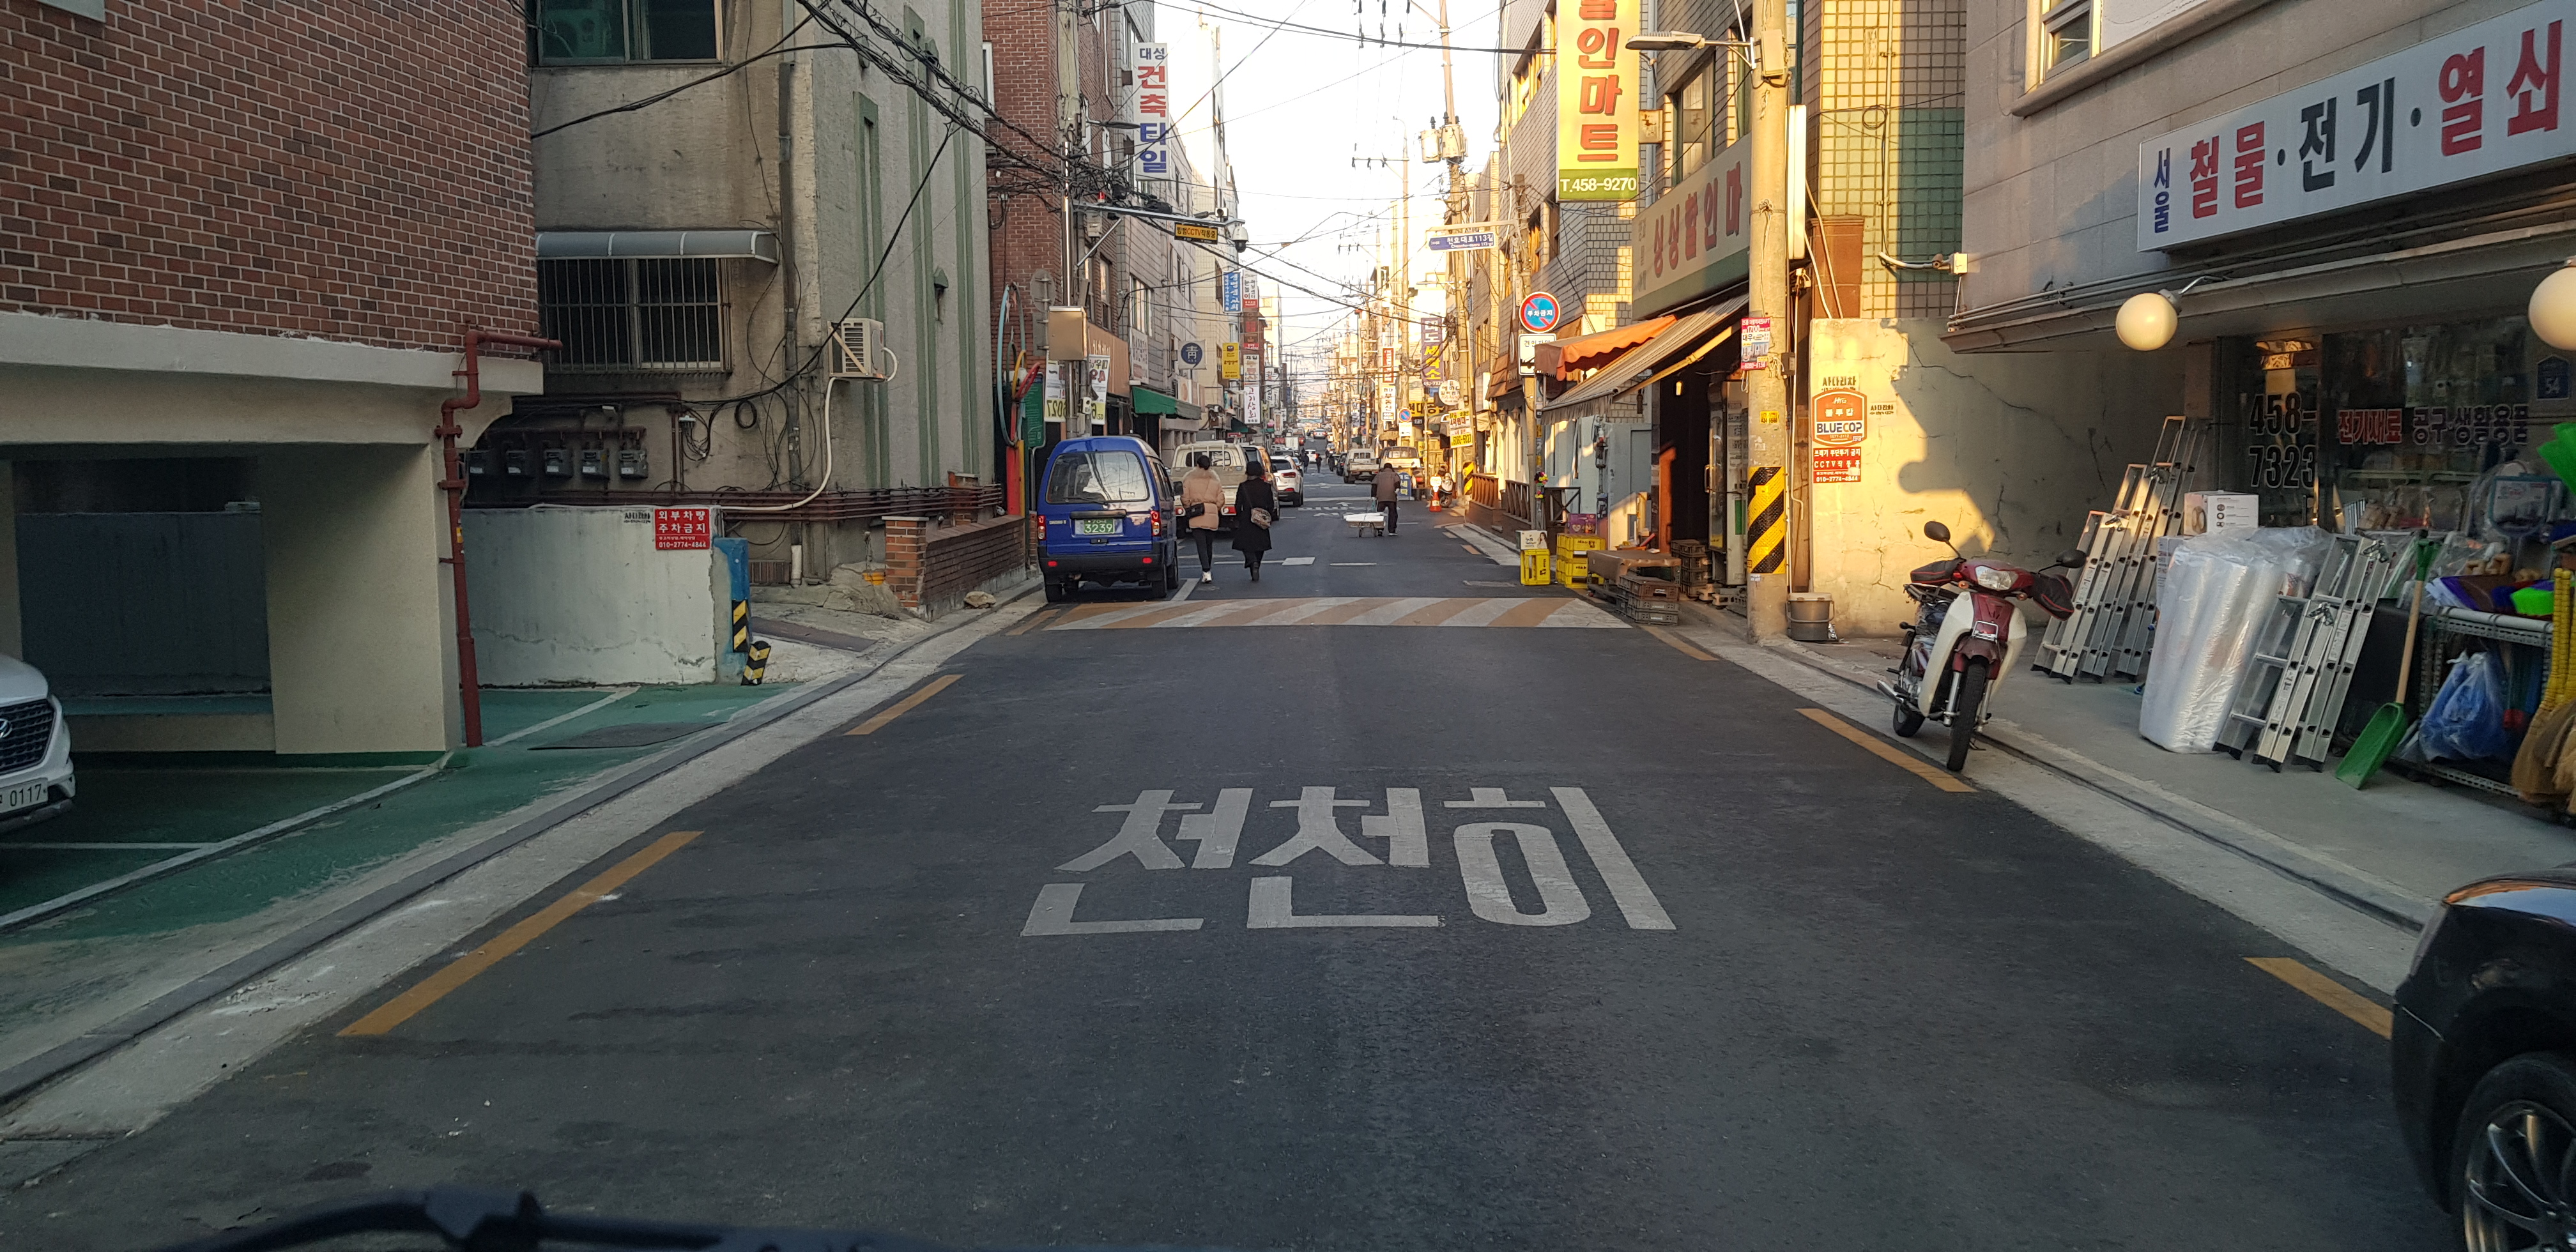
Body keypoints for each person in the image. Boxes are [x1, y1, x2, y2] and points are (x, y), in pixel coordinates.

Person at [1179, 452, 1224, 583]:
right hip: (1212, 515)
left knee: (1201, 546)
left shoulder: (1189, 480)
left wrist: (1189, 507)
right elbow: (1221, 500)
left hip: (1196, 515)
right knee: (1209, 545)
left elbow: (1185, 498)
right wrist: (1214, 508)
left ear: (1197, 465)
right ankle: (1208, 569)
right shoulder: (1215, 481)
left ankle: (1206, 571)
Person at [1233, 458, 1278, 580]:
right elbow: (1271, 504)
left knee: (1245, 545)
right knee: (1261, 546)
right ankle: (1257, 562)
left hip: (1247, 519)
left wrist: (1240, 517)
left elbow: (1238, 505)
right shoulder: (1266, 486)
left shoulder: (1243, 486)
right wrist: (1268, 516)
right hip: (1261, 520)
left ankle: (1252, 561)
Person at [1371, 461, 1402, 535]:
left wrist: (1373, 496)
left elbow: (1374, 485)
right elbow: (1397, 484)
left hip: (1381, 498)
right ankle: (1392, 531)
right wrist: (1397, 490)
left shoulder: (1379, 475)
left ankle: (1380, 529)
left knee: (1380, 514)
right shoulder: (1394, 475)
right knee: (1393, 514)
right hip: (1392, 497)